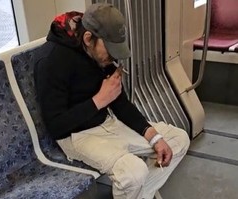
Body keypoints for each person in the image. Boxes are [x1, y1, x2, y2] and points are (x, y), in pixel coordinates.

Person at [34, 3, 190, 199]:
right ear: (88, 38)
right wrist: (99, 100)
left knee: (178, 140)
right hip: (76, 135)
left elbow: (120, 103)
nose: (113, 56)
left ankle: (138, 195)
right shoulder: (51, 61)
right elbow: (56, 126)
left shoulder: (101, 56)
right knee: (134, 173)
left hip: (107, 122)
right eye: (110, 49)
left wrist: (154, 137)